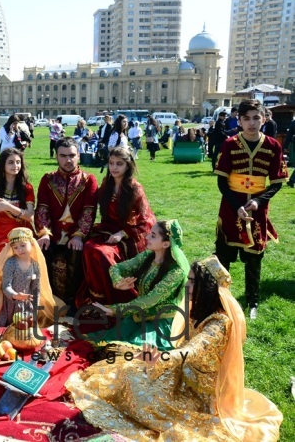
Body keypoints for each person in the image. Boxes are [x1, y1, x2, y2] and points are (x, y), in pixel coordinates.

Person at [66, 255, 283, 442]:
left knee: (143, 400)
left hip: (198, 393)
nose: (186, 285)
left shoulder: (219, 323)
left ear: (205, 288)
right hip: (179, 372)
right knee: (126, 374)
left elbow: (191, 350)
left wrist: (161, 358)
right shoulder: (199, 308)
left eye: (191, 281)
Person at [213, 99, 288, 320]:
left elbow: (276, 183)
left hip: (257, 209)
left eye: (256, 118)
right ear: (240, 120)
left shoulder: (273, 146)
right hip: (230, 207)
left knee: (254, 258)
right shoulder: (230, 144)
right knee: (224, 256)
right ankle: (220, 298)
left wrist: (258, 202)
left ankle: (252, 300)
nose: (252, 123)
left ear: (264, 119)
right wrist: (237, 206)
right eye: (246, 118)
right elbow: (221, 182)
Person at [86, 220, 189, 351]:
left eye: (153, 235)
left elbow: (149, 300)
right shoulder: (147, 256)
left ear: (166, 244)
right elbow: (116, 268)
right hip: (139, 315)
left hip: (161, 323)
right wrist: (118, 282)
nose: (147, 237)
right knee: (104, 343)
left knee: (130, 349)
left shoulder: (176, 272)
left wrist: (114, 310)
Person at [76, 147, 156, 308]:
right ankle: (97, 296)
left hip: (128, 236)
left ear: (128, 165)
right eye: (111, 163)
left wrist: (123, 233)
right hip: (106, 230)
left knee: (101, 252)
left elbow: (148, 220)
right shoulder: (106, 184)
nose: (114, 167)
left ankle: (118, 298)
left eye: (119, 164)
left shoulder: (135, 188)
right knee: (89, 247)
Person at [35, 137, 98, 306]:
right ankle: (47, 301)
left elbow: (89, 211)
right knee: (41, 250)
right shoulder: (47, 180)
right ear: (56, 156)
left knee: (77, 255)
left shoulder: (88, 180)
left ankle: (71, 303)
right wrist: (44, 233)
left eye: (72, 155)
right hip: (52, 234)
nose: (68, 160)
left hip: (76, 235)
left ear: (79, 155)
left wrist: (79, 235)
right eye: (63, 156)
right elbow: (42, 209)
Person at [0, 227, 56, 328]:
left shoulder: (35, 265)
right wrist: (16, 295)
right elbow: (5, 286)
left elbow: (36, 288)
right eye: (15, 247)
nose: (20, 250)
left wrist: (35, 306)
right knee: (9, 327)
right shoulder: (11, 263)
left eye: (23, 245)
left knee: (25, 327)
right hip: (10, 302)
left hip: (26, 303)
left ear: (32, 244)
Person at [0, 148, 35, 264]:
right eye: (10, 162)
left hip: (21, 238)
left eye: (18, 162)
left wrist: (8, 207)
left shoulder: (27, 188)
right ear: (2, 165)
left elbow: (30, 217)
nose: (15, 165)